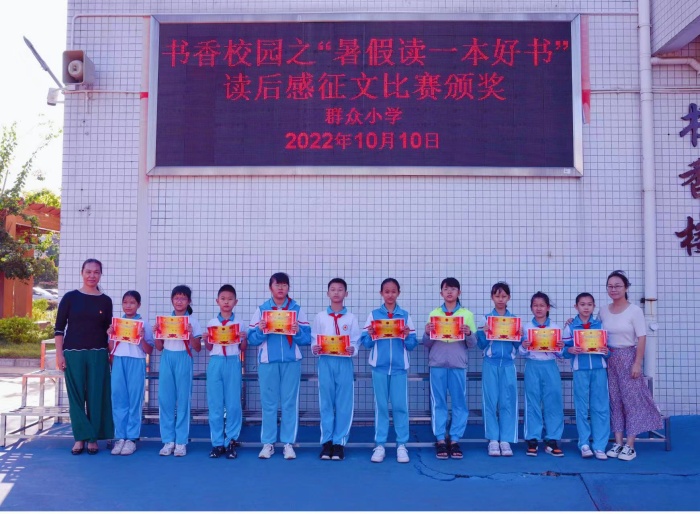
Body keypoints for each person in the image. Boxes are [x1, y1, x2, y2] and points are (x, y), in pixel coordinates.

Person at [599, 270, 662, 461]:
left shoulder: (634, 310)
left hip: (628, 357)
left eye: (618, 286)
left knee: (631, 401)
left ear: (626, 287)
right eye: (610, 286)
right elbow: (594, 331)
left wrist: (637, 363)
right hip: (609, 358)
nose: (614, 289)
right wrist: (573, 323)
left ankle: (630, 445)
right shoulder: (603, 310)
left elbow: (642, 337)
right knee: (615, 401)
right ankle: (618, 442)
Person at [247, 272, 312, 460]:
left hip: (291, 362)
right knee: (268, 403)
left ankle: (288, 443)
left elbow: (307, 338)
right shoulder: (262, 310)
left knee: (289, 403)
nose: (281, 288)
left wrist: (297, 332)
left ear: (288, 288)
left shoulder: (296, 310)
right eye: (277, 285)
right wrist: (261, 330)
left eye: (284, 285)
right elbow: (252, 339)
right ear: (271, 287)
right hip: (268, 362)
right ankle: (268, 443)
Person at [54, 258, 114, 455]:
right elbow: (59, 328)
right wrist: (59, 354)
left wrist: (113, 337)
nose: (92, 276)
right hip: (73, 354)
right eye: (88, 271)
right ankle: (80, 438)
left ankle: (93, 438)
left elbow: (108, 329)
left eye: (96, 272)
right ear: (82, 273)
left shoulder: (105, 301)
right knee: (76, 397)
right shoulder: (70, 297)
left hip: (98, 354)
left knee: (96, 396)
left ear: (101, 275)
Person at [361, 278, 418, 464]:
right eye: (387, 291)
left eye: (393, 291)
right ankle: (380, 445)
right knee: (382, 407)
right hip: (379, 368)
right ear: (381, 293)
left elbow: (412, 345)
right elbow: (366, 343)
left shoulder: (405, 316)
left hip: (399, 369)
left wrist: (407, 336)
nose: (390, 295)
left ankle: (402, 445)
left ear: (398, 293)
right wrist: (370, 334)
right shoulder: (374, 315)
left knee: (400, 407)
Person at [422, 277, 476, 460]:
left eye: (453, 289)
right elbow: (427, 343)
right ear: (441, 293)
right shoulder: (434, 314)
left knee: (459, 403)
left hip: (458, 364)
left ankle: (454, 440)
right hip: (437, 364)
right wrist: (427, 332)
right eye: (446, 289)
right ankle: (440, 439)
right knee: (438, 403)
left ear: (459, 292)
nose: (450, 292)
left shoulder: (467, 315)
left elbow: (472, 344)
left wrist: (469, 333)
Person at [310, 278, 361, 461]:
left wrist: (353, 349)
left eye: (340, 289)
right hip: (325, 362)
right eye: (333, 289)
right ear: (327, 293)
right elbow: (314, 338)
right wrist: (315, 348)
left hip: (344, 362)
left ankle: (339, 442)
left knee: (344, 403)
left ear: (346, 294)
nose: (336, 292)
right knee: (326, 402)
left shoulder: (351, 318)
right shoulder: (320, 317)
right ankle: (327, 441)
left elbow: (355, 340)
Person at [154, 285, 202, 457]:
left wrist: (190, 334)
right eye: (176, 298)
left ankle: (181, 441)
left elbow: (197, 348)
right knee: (165, 400)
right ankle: (168, 441)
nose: (179, 301)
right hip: (167, 358)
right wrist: (157, 334)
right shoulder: (165, 321)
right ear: (172, 300)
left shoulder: (193, 322)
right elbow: (159, 347)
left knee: (183, 400)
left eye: (183, 298)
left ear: (189, 301)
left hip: (184, 357)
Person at [476, 281, 522, 457]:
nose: (500, 299)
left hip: (508, 365)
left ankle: (506, 440)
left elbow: (518, 346)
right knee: (490, 401)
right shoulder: (486, 319)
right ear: (492, 297)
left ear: (508, 297)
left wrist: (520, 335)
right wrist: (485, 332)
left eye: (503, 296)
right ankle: (493, 440)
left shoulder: (514, 320)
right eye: (497, 296)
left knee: (507, 402)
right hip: (490, 364)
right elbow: (481, 345)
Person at [563, 292, 610, 460]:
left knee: (600, 407)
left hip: (599, 370)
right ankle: (584, 443)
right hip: (580, 370)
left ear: (594, 306)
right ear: (576, 306)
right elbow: (563, 350)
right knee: (581, 408)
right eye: (582, 304)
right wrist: (570, 350)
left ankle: (600, 445)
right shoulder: (570, 326)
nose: (586, 307)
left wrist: (606, 351)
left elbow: (608, 351)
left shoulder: (600, 325)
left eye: (589, 304)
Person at [203, 284, 247, 459]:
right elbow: (209, 347)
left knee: (233, 403)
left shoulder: (239, 323)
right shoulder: (212, 323)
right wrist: (206, 339)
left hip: (233, 362)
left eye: (230, 299)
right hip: (216, 362)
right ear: (217, 301)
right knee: (215, 403)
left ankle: (231, 441)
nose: (226, 302)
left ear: (236, 302)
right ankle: (217, 443)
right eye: (223, 299)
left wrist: (243, 338)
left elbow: (243, 348)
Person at [108, 290, 154, 456]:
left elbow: (149, 350)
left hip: (136, 361)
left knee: (135, 400)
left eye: (132, 302)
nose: (128, 306)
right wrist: (111, 335)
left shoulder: (144, 324)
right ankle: (120, 437)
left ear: (138, 305)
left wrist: (141, 338)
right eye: (125, 302)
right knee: (118, 398)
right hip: (119, 361)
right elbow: (111, 349)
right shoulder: (116, 324)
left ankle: (132, 439)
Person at [520, 291, 565, 457]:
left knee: (553, 401)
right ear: (531, 308)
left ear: (548, 308)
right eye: (535, 305)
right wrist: (524, 346)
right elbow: (521, 352)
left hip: (550, 366)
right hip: (532, 365)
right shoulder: (526, 328)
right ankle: (532, 438)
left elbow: (561, 355)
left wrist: (560, 347)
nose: (538, 308)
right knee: (532, 402)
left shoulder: (555, 328)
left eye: (542, 305)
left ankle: (552, 439)